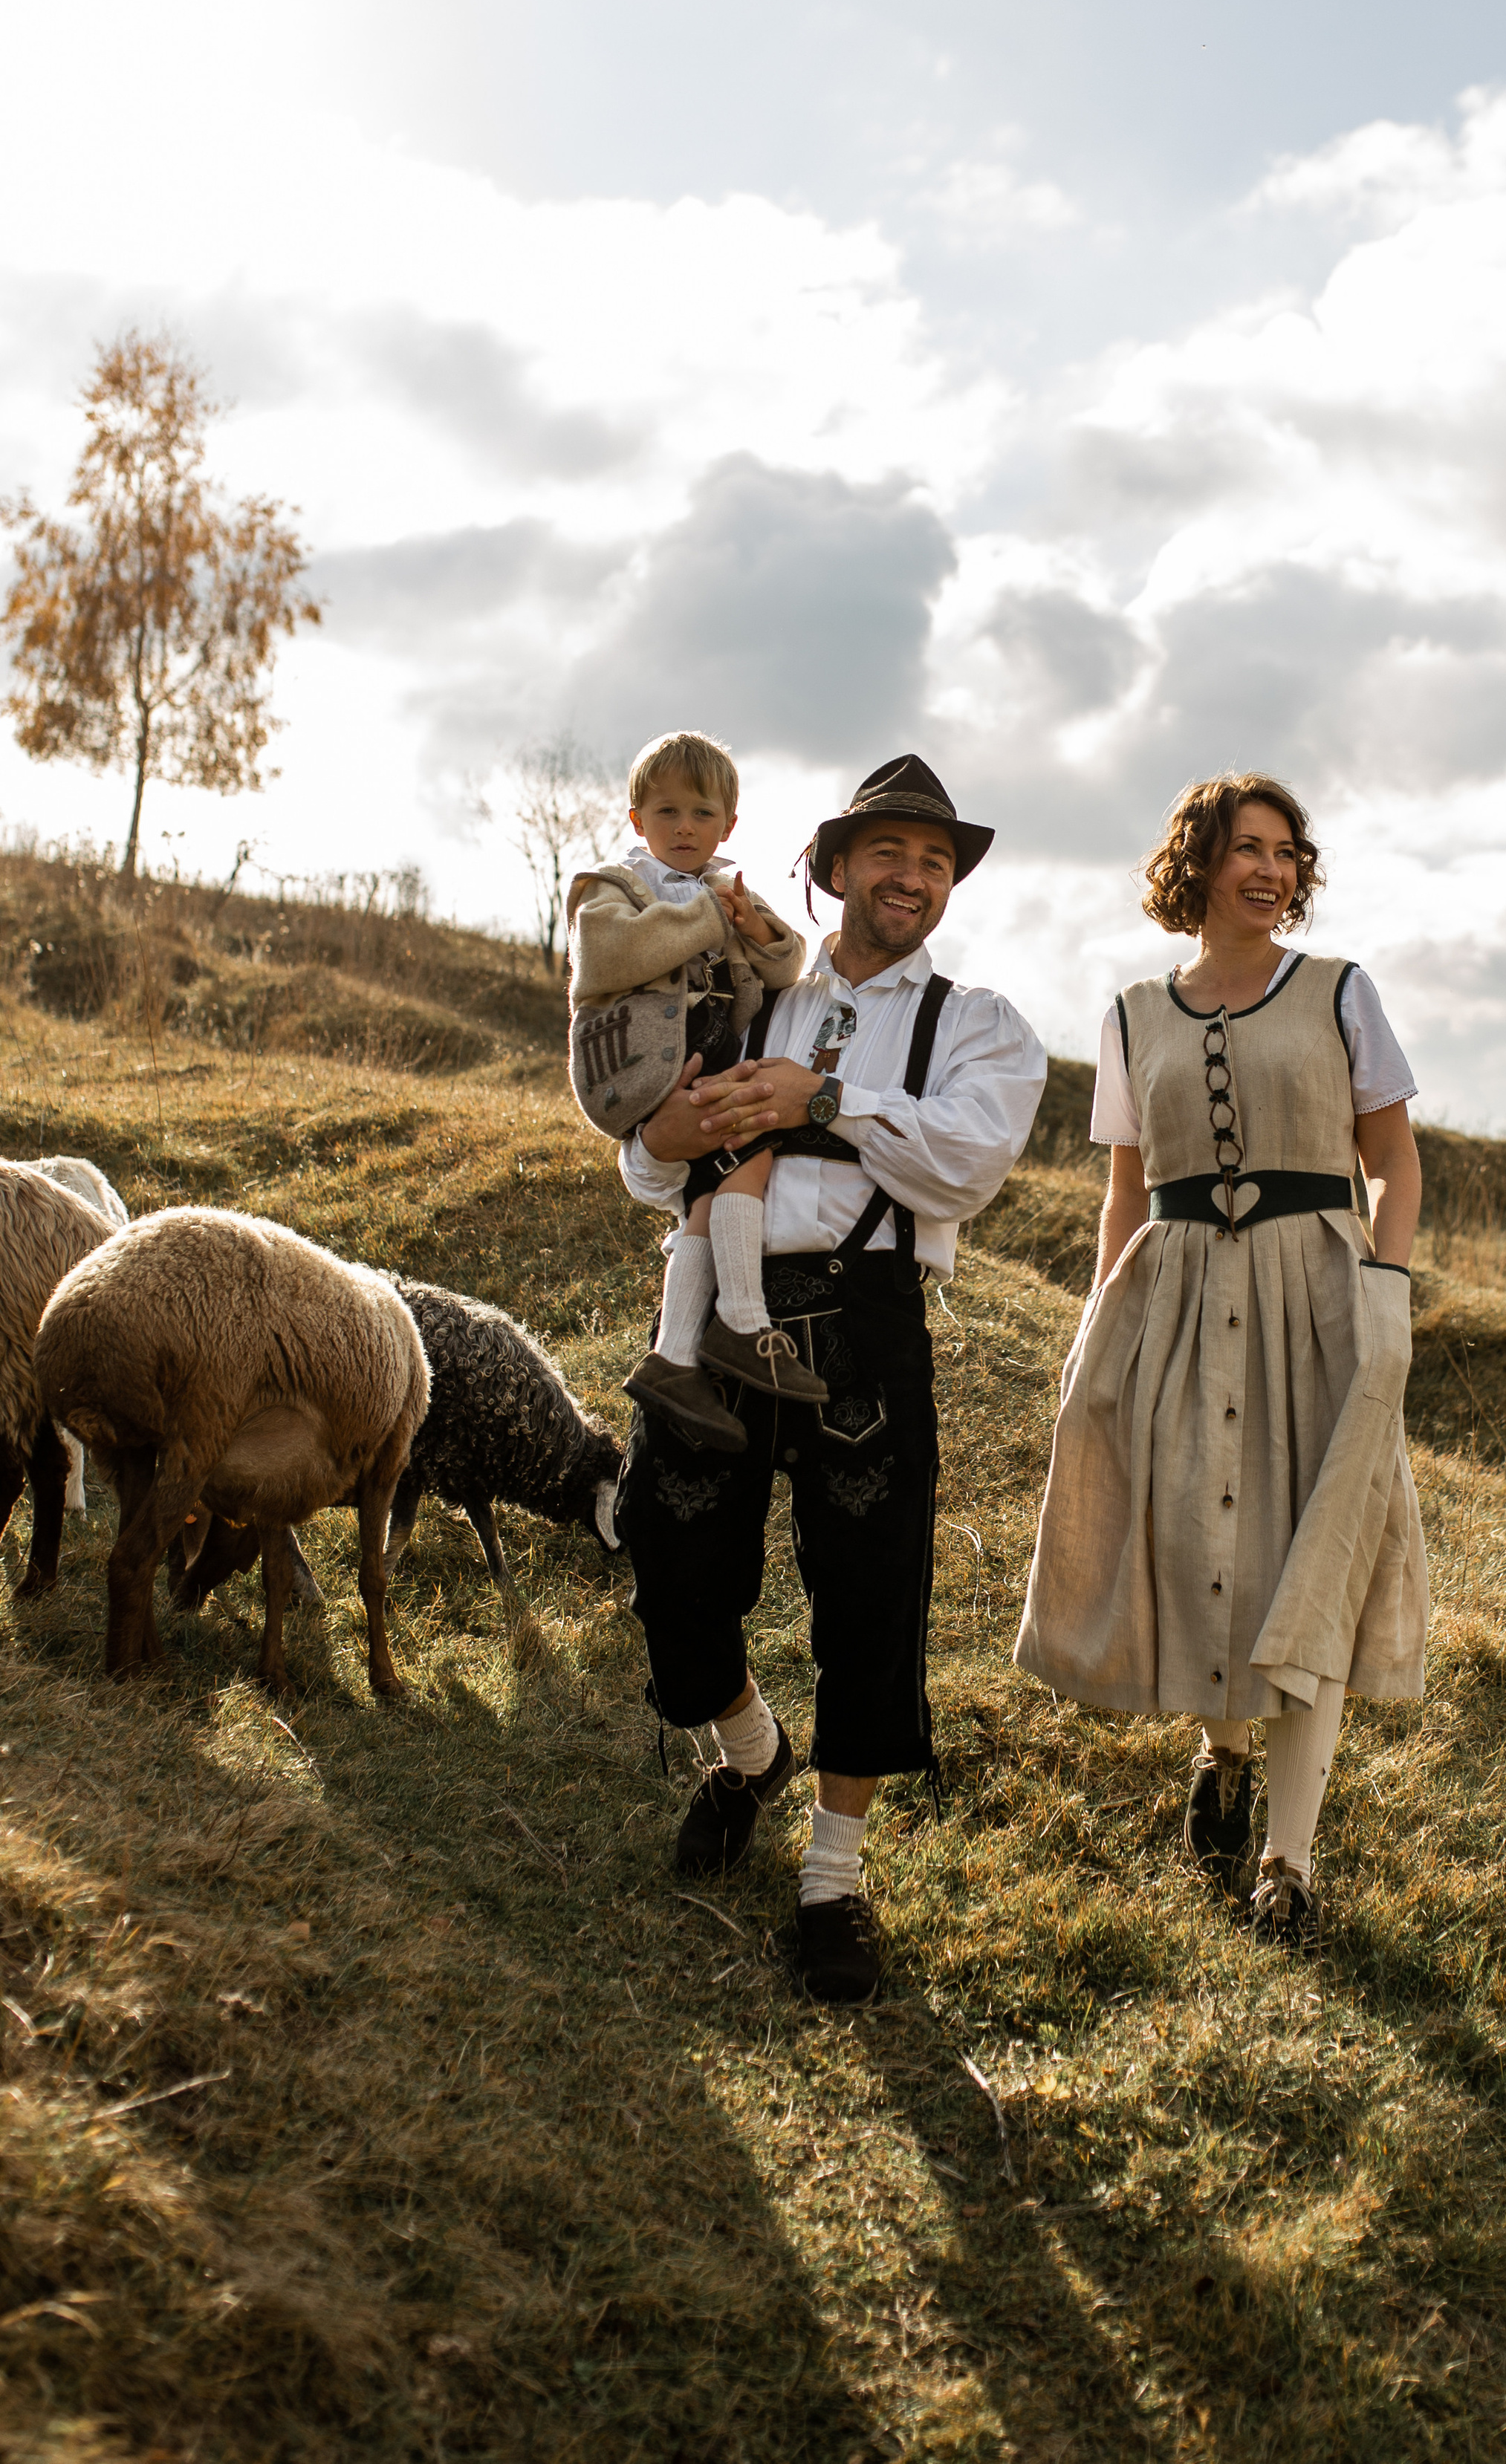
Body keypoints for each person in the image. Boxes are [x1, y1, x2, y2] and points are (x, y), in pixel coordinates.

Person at [614, 754, 1046, 2004]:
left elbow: (962, 1168)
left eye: (934, 861)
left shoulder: (976, 1022)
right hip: (716, 1313)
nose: (912, 877)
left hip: (864, 1318)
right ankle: (749, 1752)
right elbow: (650, 1168)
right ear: (836, 867)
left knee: (869, 1592)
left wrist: (828, 1099)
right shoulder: (753, 993)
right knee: (666, 1550)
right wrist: (671, 1136)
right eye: (888, 854)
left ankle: (833, 1879)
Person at [1013, 772, 1427, 1949]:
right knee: (1208, 1536)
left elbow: (1395, 1162)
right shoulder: (1133, 1014)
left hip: (1322, 1295)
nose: (1272, 868)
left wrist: (1385, 1293)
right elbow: (1124, 1194)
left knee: (1320, 1554)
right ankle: (1223, 1749)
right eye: (1247, 846)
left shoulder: (1343, 992)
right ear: (1196, 863)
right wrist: (1097, 1325)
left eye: (1288, 851)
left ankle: (1289, 1864)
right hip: (1182, 1292)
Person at [571, 730, 816, 1452]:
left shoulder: (725, 887)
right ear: (635, 818)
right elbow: (613, 954)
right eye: (667, 811)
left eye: (702, 814)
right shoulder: (611, 887)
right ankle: (744, 1321)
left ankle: (674, 1359)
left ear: (727, 826)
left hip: (705, 1061)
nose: (684, 828)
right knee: (759, 1140)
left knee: (712, 1193)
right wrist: (712, 916)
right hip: (644, 1071)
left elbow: (787, 962)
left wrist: (753, 924)